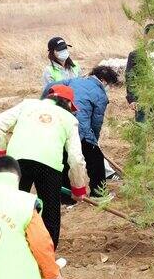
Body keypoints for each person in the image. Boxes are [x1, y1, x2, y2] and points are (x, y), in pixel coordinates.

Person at [0, 85, 88, 248]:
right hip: (49, 166)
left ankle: (8, 247)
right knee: (50, 213)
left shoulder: (27, 104)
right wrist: (78, 189)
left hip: (17, 162)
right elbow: (76, 159)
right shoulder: (70, 119)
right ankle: (47, 260)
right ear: (68, 103)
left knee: (13, 206)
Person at [44, 66, 118, 198]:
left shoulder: (75, 80)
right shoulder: (100, 94)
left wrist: (44, 102)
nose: (109, 88)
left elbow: (51, 85)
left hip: (60, 125)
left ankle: (65, 197)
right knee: (96, 160)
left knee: (65, 160)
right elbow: (96, 122)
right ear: (104, 80)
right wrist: (93, 141)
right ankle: (98, 194)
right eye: (109, 84)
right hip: (80, 128)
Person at [125, 23, 154, 157]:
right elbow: (130, 78)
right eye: (151, 36)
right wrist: (131, 99)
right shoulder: (135, 55)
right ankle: (140, 159)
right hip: (142, 98)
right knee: (141, 128)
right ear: (145, 37)